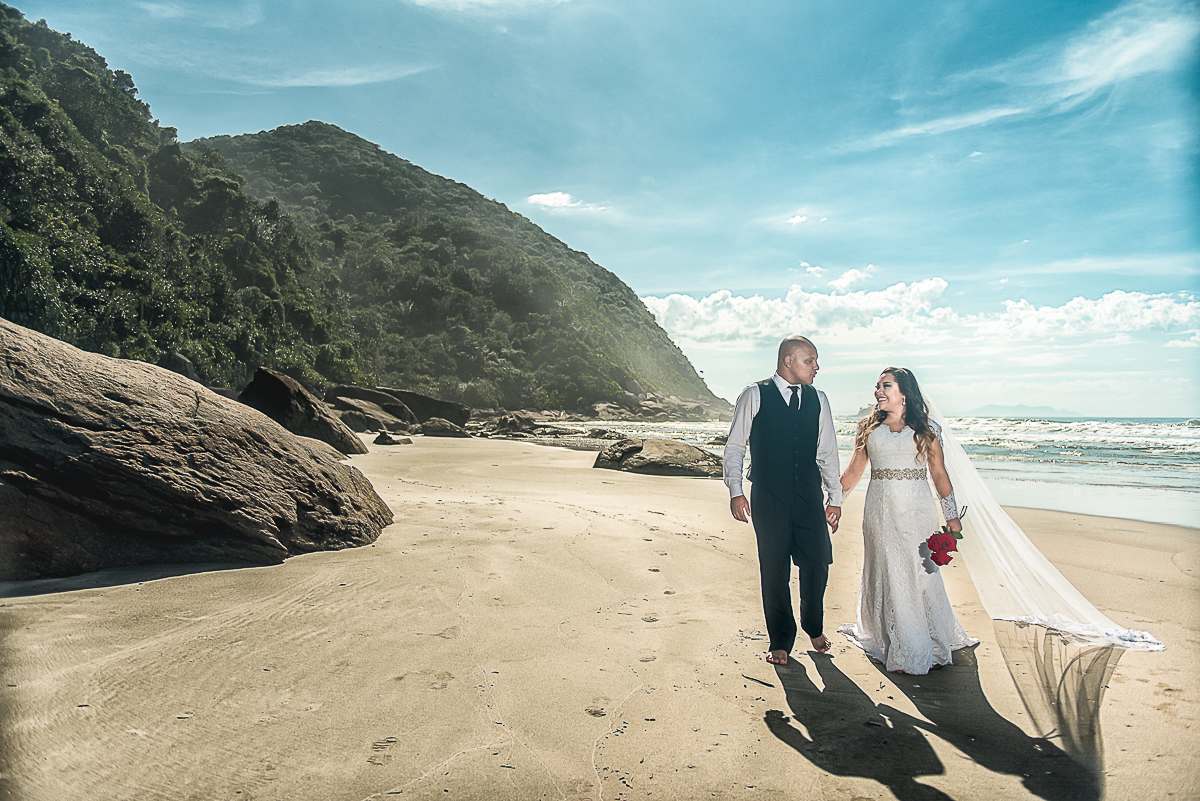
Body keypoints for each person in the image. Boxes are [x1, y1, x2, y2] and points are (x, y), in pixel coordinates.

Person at [837, 367, 977, 674]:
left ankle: (918, 642)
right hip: (878, 513)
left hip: (917, 512)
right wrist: (834, 503)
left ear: (904, 392)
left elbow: (939, 473)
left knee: (917, 572)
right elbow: (853, 472)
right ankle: (896, 642)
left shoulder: (926, 428)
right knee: (886, 569)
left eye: (886, 385)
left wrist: (952, 516)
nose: (878, 391)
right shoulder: (867, 428)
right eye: (877, 386)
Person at [723, 335, 842, 666]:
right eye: (810, 360)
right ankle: (781, 639)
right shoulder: (754, 394)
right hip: (768, 496)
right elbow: (735, 446)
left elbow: (827, 451)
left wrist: (835, 497)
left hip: (808, 496)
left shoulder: (819, 399)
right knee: (774, 569)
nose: (816, 367)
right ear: (788, 361)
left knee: (818, 562)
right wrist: (736, 491)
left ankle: (813, 625)